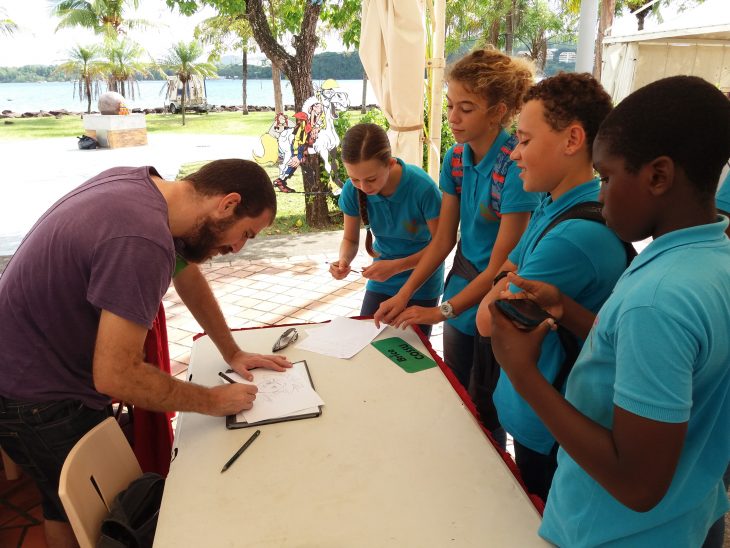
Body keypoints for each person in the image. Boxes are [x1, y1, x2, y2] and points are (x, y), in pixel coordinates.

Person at [488, 75, 730, 546]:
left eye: (607, 177)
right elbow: (660, 358)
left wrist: (523, 374)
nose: (600, 196)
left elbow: (637, 484)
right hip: (689, 515)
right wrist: (568, 310)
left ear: (658, 176)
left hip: (618, 533)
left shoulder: (657, 299)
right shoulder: (708, 257)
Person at [0, 159, 292, 547]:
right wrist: (213, 401)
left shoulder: (145, 188)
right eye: (246, 234)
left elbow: (186, 273)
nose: (237, 248)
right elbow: (117, 375)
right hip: (35, 394)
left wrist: (232, 351)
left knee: (66, 504)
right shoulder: (143, 240)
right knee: (90, 516)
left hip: (27, 364)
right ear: (228, 204)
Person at [373, 47, 540, 443]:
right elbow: (444, 239)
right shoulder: (456, 158)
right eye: (450, 105)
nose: (452, 117)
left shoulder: (514, 168)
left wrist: (440, 311)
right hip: (463, 284)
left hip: (495, 298)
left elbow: (499, 267)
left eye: (466, 108)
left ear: (498, 112)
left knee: (487, 407)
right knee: (459, 394)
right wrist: (405, 293)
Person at [474, 73, 628, 501]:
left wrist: (503, 279)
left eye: (524, 140)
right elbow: (508, 267)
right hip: (533, 413)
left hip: (552, 428)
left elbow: (487, 321)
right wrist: (506, 277)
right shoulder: (552, 202)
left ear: (572, 139)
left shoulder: (573, 237)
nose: (514, 154)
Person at [329, 123, 444, 337]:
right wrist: (343, 260)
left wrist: (396, 267)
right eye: (354, 179)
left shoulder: (423, 188)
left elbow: (442, 246)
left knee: (411, 348)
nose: (363, 187)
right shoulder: (352, 191)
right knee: (368, 339)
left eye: (371, 179)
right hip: (382, 279)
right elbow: (350, 240)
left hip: (423, 280)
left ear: (390, 164)